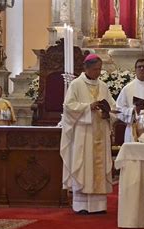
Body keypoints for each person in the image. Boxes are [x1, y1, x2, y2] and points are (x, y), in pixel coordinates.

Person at [60, 54, 115, 214]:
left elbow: (112, 106)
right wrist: (88, 107)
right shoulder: (76, 85)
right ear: (86, 68)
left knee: (99, 166)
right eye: (95, 69)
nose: (98, 72)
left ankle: (98, 206)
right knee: (84, 165)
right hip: (84, 134)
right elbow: (68, 107)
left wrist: (107, 114)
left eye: (99, 69)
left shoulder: (103, 86)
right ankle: (81, 205)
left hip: (100, 131)